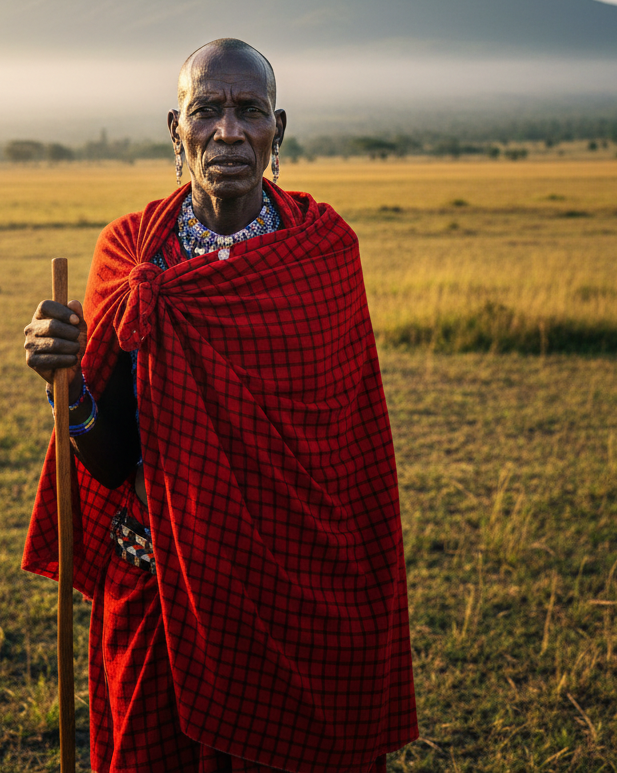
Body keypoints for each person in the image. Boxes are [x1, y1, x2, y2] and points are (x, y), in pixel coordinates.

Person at [22, 38, 417, 773]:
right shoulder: (133, 254)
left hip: (298, 588)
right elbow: (109, 457)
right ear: (177, 132)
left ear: (279, 129)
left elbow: (348, 455)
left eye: (249, 111)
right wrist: (68, 383)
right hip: (163, 592)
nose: (228, 132)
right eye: (206, 111)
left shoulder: (323, 252)